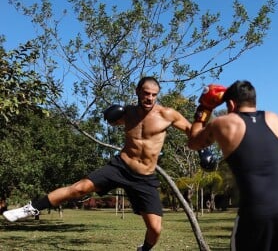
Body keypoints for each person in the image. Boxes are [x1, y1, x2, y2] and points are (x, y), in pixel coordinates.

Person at [3, 76, 191, 251]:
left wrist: (204, 149)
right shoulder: (128, 112)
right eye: (146, 93)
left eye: (154, 95)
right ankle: (30, 208)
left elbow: (191, 130)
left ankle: (143, 250)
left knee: (155, 229)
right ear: (138, 92)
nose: (149, 98)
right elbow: (111, 121)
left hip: (145, 177)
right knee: (79, 188)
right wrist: (109, 117)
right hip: (121, 166)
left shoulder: (167, 115)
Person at [188, 80, 278, 251]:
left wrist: (204, 108)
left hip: (256, 212)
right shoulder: (275, 119)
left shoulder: (224, 123)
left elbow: (194, 142)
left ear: (231, 104)